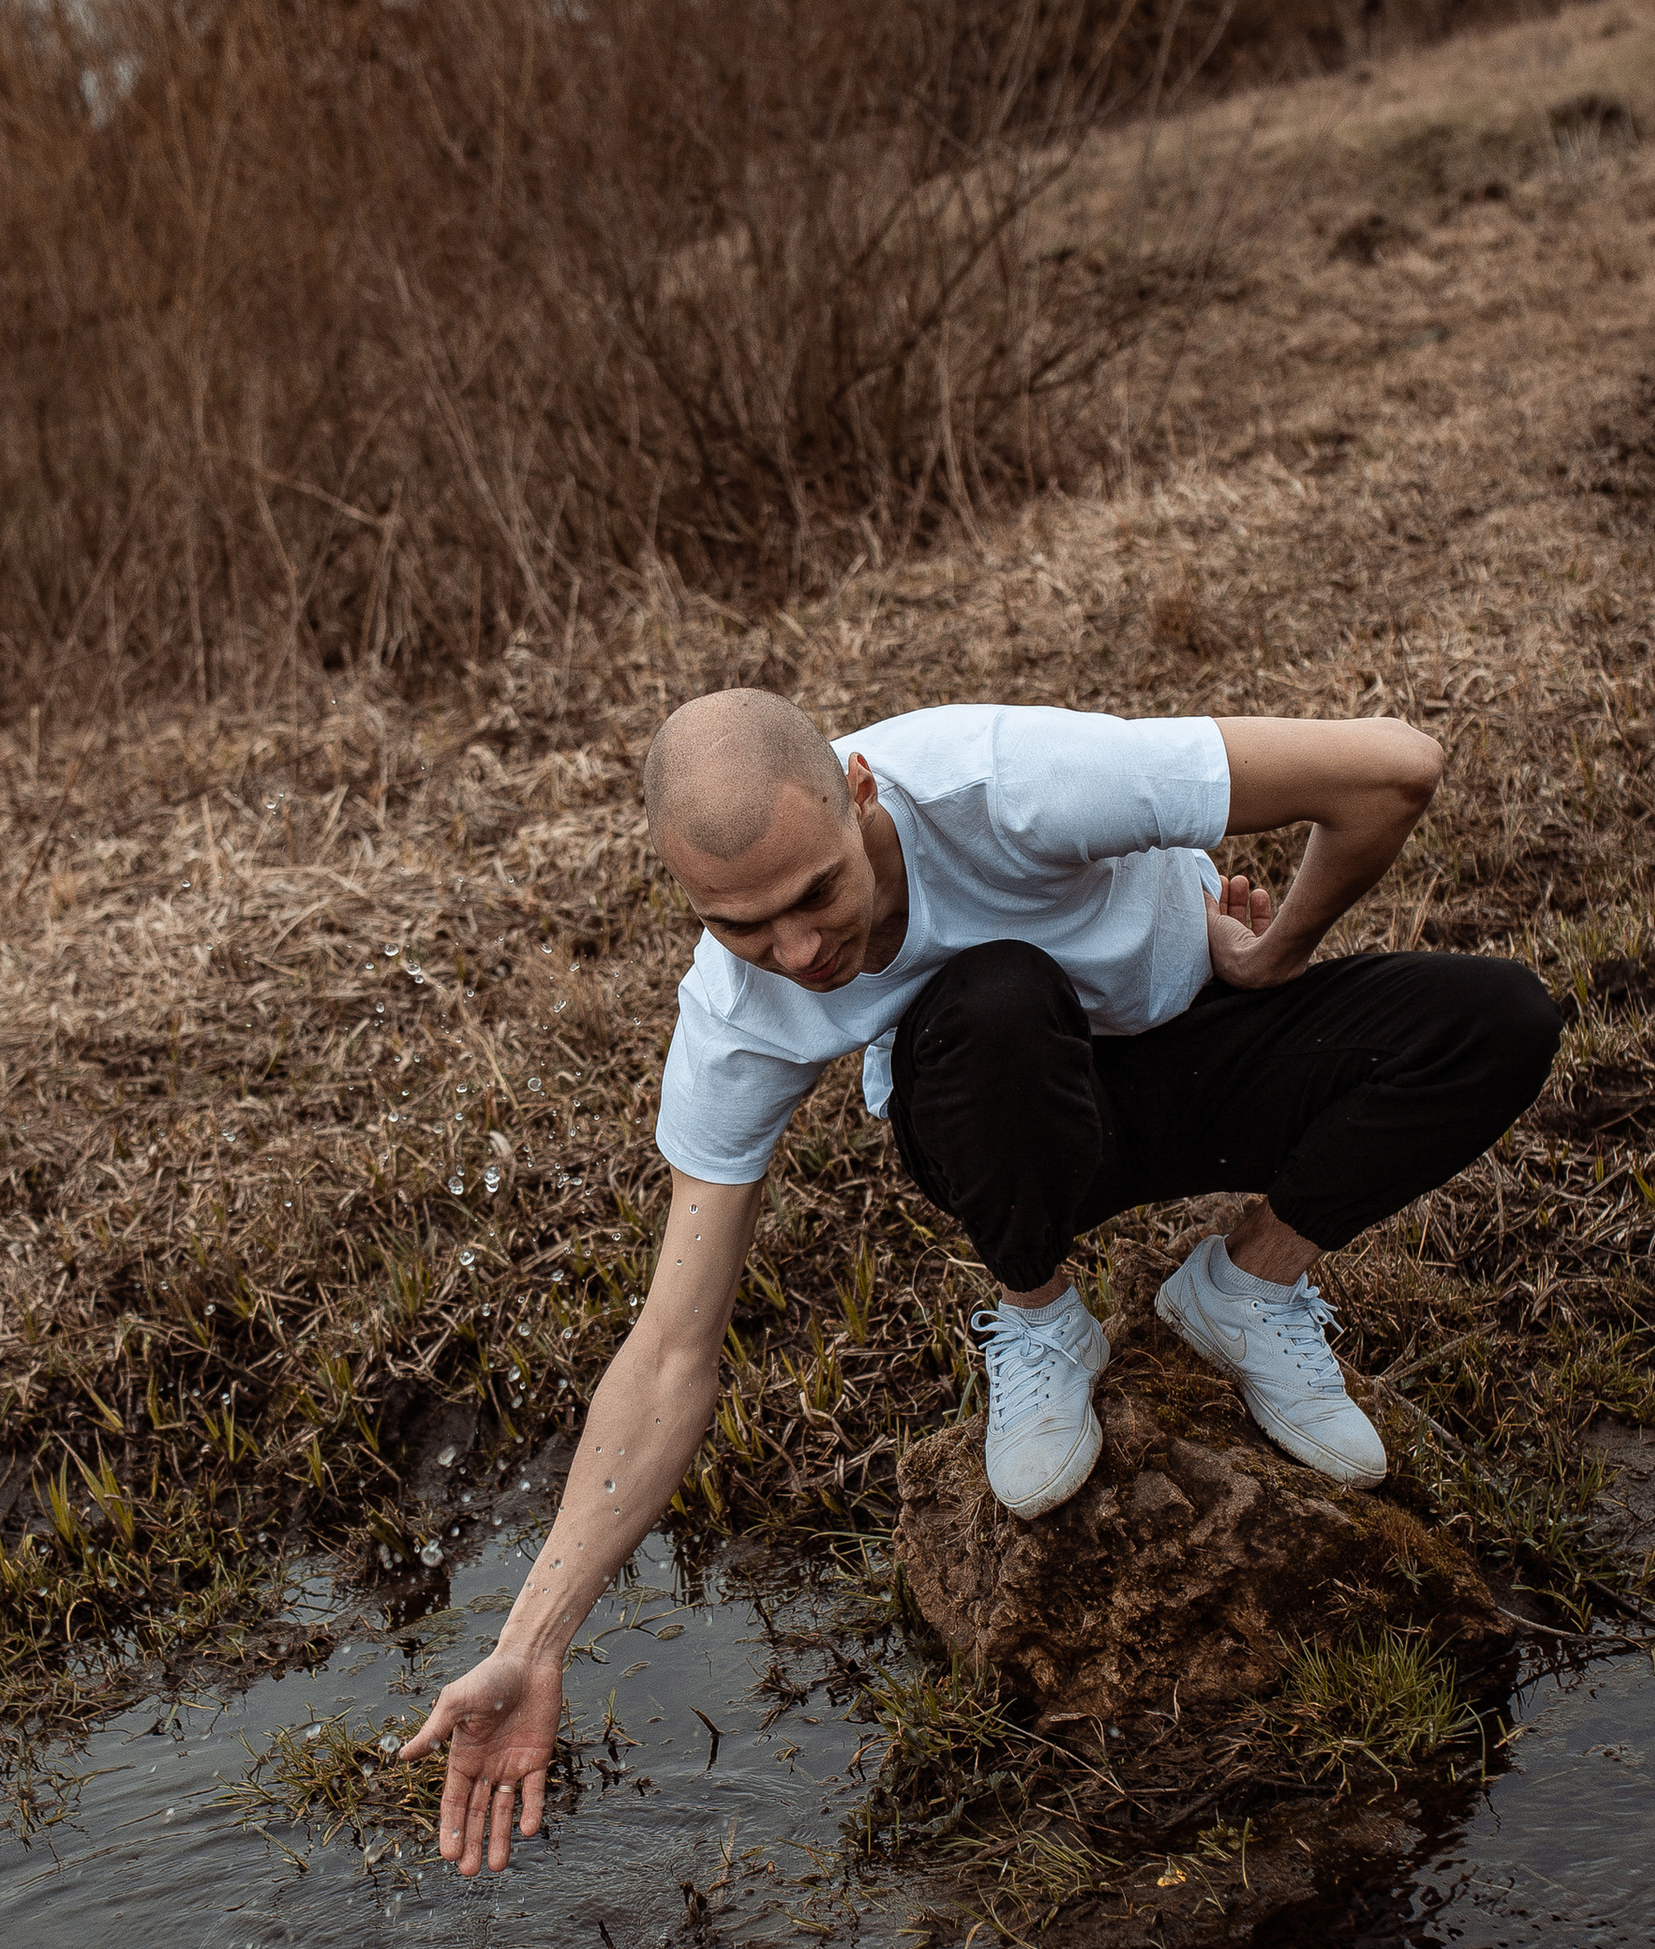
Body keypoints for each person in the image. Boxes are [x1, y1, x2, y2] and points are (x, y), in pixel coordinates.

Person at [405, 688, 1559, 1873]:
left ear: (858, 795)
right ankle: (1039, 1318)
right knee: (990, 998)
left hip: (1204, 1048)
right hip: (1012, 1122)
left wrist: (1272, 952)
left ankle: (1245, 1288)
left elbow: (1392, 768)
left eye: (816, 893)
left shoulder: (1006, 782)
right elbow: (669, 1350)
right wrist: (535, 1639)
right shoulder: (735, 1014)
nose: (799, 953)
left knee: (1494, 1020)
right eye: (743, 924)